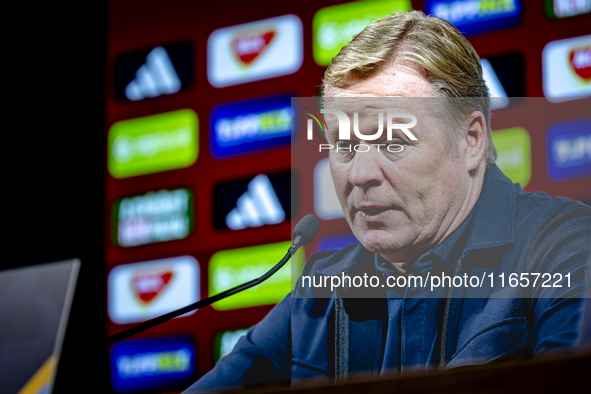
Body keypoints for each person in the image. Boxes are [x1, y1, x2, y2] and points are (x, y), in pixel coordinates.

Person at [184, 10, 591, 392]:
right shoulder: (322, 288)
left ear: (471, 141)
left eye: (393, 141)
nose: (361, 174)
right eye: (343, 145)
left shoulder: (565, 247)